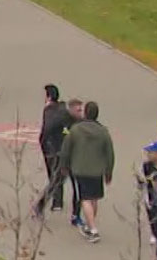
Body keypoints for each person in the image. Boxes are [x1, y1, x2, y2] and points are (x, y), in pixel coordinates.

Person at [61, 100, 116, 242]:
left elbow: (66, 150)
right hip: (97, 170)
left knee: (84, 199)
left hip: (80, 170)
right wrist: (108, 172)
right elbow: (110, 153)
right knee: (94, 198)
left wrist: (64, 166)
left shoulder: (76, 130)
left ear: (85, 113)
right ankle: (90, 224)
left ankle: (93, 229)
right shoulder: (103, 131)